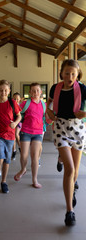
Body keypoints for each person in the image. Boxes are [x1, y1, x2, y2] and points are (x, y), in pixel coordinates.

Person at [46, 59, 86, 226]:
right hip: (61, 127)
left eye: (73, 74)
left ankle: (72, 190)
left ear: (77, 75)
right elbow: (47, 105)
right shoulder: (55, 88)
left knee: (75, 170)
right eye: (67, 73)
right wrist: (49, 111)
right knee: (69, 169)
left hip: (77, 129)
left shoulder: (82, 88)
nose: (70, 76)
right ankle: (70, 211)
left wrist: (84, 114)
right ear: (61, 73)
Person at [0, 80, 21, 196]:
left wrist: (15, 123)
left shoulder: (12, 103)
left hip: (10, 135)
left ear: (9, 91)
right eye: (1, 90)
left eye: (5, 90)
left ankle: (4, 181)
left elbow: (19, 116)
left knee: (7, 160)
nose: (3, 92)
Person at [14, 83, 46, 189]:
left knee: (35, 157)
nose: (35, 92)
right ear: (30, 92)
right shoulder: (25, 103)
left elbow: (47, 117)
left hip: (37, 133)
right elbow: (16, 112)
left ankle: (34, 180)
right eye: (33, 90)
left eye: (37, 90)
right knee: (23, 155)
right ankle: (23, 169)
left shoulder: (43, 104)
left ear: (41, 92)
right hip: (26, 132)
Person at [12, 92, 22, 160]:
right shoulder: (11, 105)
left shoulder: (21, 106)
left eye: (17, 99)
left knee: (16, 134)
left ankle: (20, 147)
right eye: (14, 99)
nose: (16, 100)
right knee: (13, 137)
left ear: (20, 99)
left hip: (19, 122)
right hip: (12, 122)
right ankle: (14, 151)